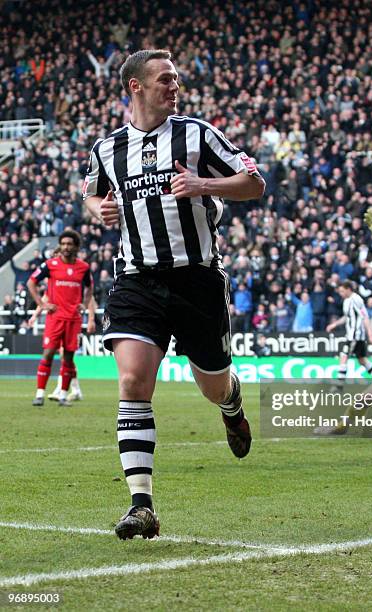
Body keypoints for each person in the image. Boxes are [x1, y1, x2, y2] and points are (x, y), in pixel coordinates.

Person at [83, 49, 265, 540]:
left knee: (211, 386)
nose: (174, 86)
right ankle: (141, 505)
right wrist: (98, 208)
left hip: (197, 280)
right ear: (135, 87)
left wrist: (204, 183)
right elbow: (92, 193)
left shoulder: (197, 134)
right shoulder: (106, 148)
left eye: (177, 79)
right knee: (133, 381)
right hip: (137, 279)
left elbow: (254, 182)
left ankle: (231, 403)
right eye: (165, 79)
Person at [27, 230, 95, 407]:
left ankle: (63, 395)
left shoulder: (83, 268)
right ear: (60, 245)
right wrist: (42, 305)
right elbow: (31, 282)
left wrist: (84, 304)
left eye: (69, 244)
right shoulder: (50, 265)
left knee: (69, 358)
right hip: (55, 318)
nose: (66, 247)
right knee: (48, 353)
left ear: (76, 246)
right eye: (63, 244)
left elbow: (90, 288)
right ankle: (39, 394)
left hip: (73, 319)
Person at [326, 281, 372, 388]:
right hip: (352, 334)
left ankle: (339, 386)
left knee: (343, 356)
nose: (340, 293)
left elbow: (365, 316)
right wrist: (334, 325)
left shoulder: (356, 299)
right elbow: (347, 317)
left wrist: (370, 334)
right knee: (362, 360)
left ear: (348, 289)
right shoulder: (346, 301)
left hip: (355, 335)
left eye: (342, 291)